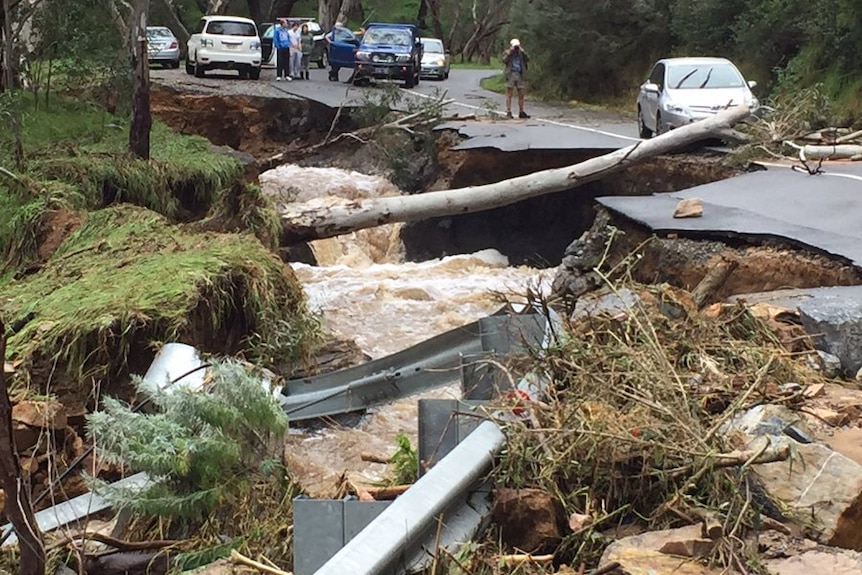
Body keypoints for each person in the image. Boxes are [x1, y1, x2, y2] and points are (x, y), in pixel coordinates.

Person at [502, 38, 530, 119]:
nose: (516, 48)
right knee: (509, 93)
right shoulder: (507, 52)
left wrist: (523, 51)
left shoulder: (521, 53)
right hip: (511, 74)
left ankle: (521, 111)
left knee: (521, 93)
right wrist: (510, 52)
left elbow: (527, 59)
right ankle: (508, 111)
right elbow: (504, 60)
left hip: (520, 74)